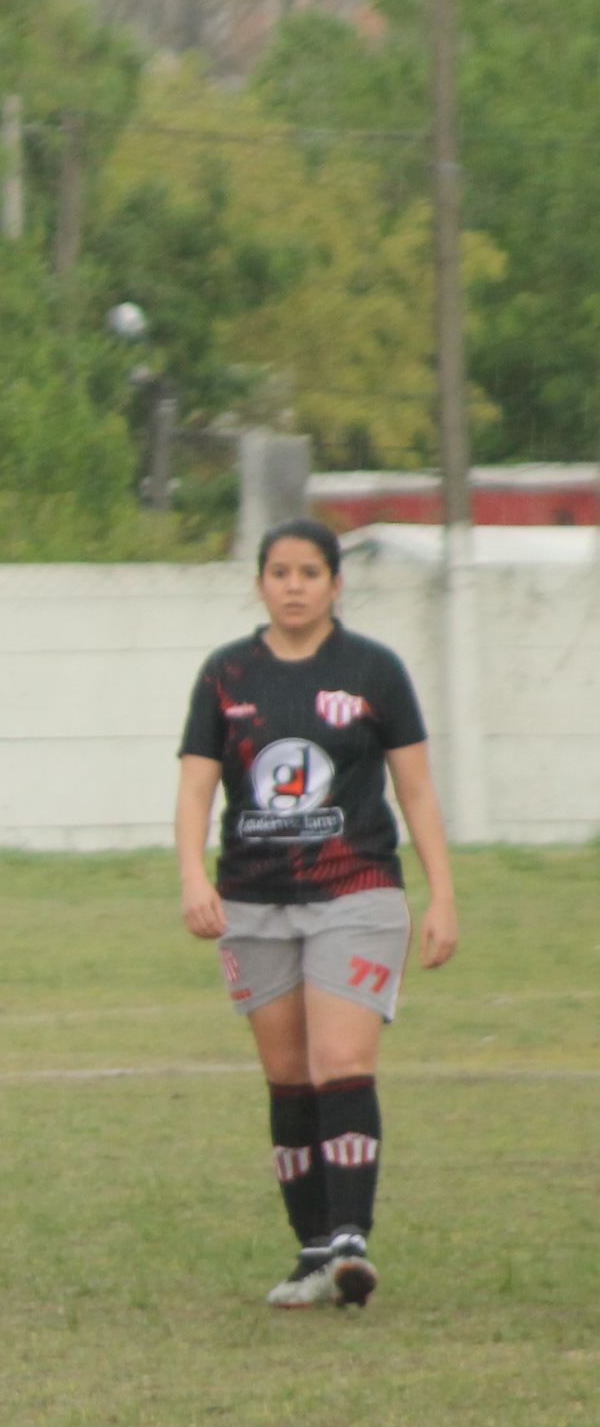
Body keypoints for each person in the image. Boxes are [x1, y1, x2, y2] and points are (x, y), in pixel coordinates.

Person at [175, 517, 458, 1311]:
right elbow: (197, 789)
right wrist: (194, 877)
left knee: (340, 1061)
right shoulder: (226, 675)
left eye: (309, 573)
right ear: (260, 582)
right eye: (279, 572)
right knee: (288, 1077)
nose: (294, 586)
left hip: (354, 891)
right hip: (254, 900)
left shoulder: (374, 670)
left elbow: (419, 791)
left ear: (337, 583)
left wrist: (443, 895)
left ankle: (351, 1241)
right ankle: (311, 1254)